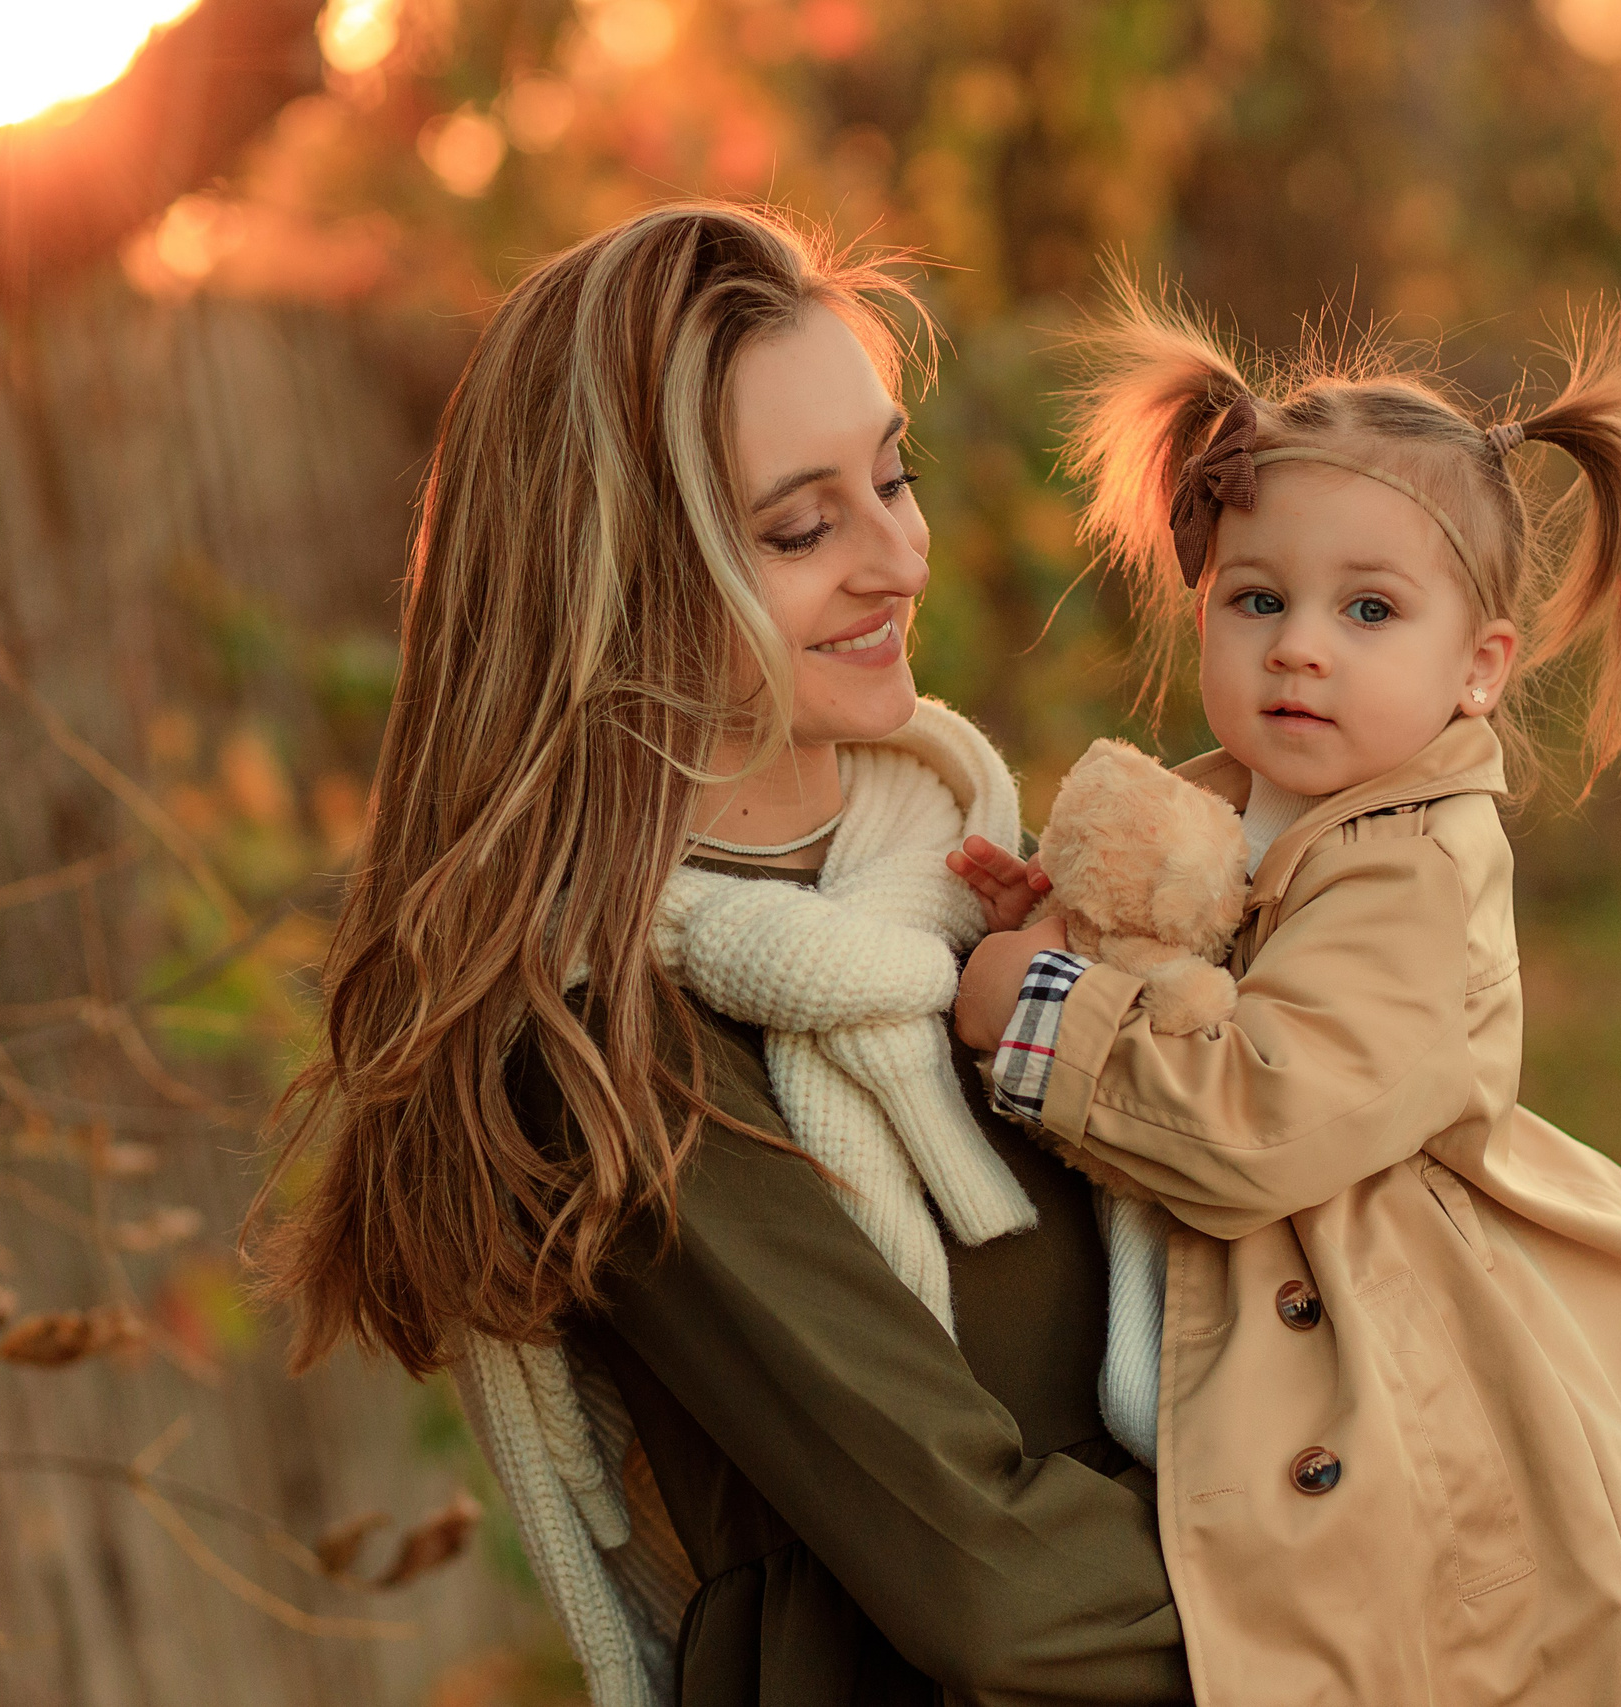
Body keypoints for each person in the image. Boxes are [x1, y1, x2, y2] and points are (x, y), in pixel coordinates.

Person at [256, 204, 1192, 1707]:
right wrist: (1369, 1590)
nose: (897, 558)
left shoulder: (969, 890)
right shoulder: (613, 1040)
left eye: (894, 477)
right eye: (801, 528)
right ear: (616, 571)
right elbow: (1000, 1590)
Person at [946, 290, 1621, 1706]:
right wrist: (1070, 936)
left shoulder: (1417, 868)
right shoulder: (1233, 819)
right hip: (1230, 1361)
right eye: (1259, 599)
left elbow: (1267, 1111)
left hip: (1385, 1389)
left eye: (1368, 609)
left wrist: (1045, 1012)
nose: (1300, 645)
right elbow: (1193, 980)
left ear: (1478, 672)